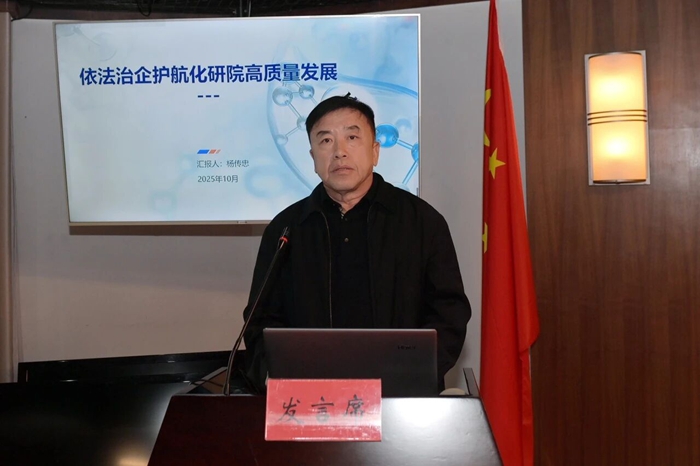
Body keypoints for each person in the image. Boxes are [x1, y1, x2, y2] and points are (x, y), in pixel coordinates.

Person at [241, 93, 471, 393]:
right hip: (312, 400)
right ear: (312, 157)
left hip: (402, 399)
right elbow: (260, 321)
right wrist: (277, 375)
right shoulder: (286, 229)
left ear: (375, 151)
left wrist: (413, 374)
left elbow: (449, 313)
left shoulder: (421, 222)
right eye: (326, 141)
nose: (339, 152)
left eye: (352, 137)